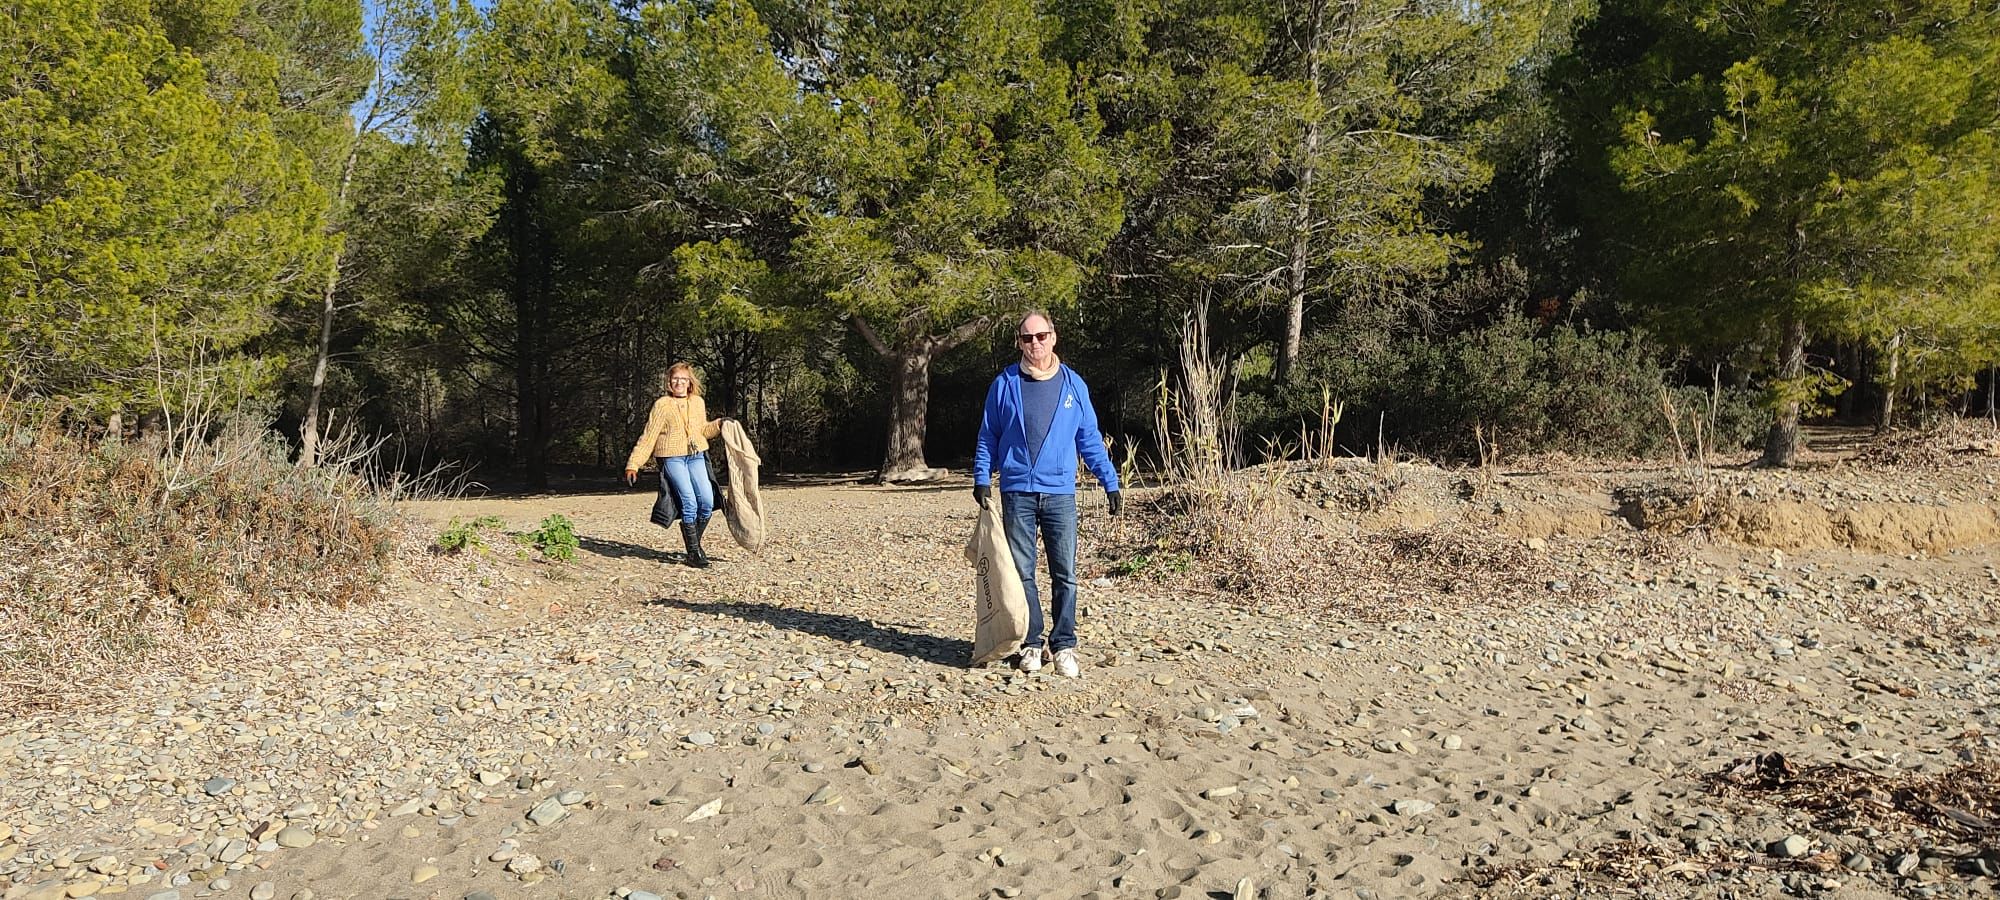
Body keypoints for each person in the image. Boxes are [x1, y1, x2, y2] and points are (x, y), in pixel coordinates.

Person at [972, 310, 1122, 678]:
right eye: (1027, 338)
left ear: (1053, 337)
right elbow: (987, 435)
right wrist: (981, 476)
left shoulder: (1074, 386)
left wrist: (1111, 481)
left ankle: (1065, 644)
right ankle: (1032, 643)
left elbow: (1088, 439)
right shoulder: (1004, 384)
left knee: (1065, 573)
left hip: (1060, 494)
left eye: (1041, 336)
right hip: (1017, 491)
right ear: (1018, 342)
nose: (1034, 343)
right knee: (1022, 573)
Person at [626, 362, 725, 568]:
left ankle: (694, 546)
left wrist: (720, 424)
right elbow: (649, 437)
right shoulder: (662, 405)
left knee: (707, 501)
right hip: (672, 458)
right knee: (689, 501)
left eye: (683, 379)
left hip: (697, 455)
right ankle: (694, 553)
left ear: (690, 382)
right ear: (669, 382)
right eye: (675, 379)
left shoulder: (698, 402)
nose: (679, 382)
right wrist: (634, 464)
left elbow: (703, 431)